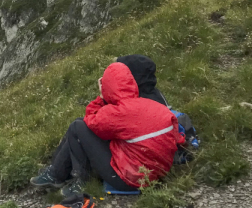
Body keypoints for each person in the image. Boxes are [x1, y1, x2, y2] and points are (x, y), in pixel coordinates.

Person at [30, 61, 183, 197]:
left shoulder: (118, 112)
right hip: (158, 172)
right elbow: (177, 136)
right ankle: (56, 173)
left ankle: (78, 180)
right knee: (79, 125)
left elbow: (90, 121)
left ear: (108, 87)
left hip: (131, 179)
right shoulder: (154, 106)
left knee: (77, 126)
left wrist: (102, 97)